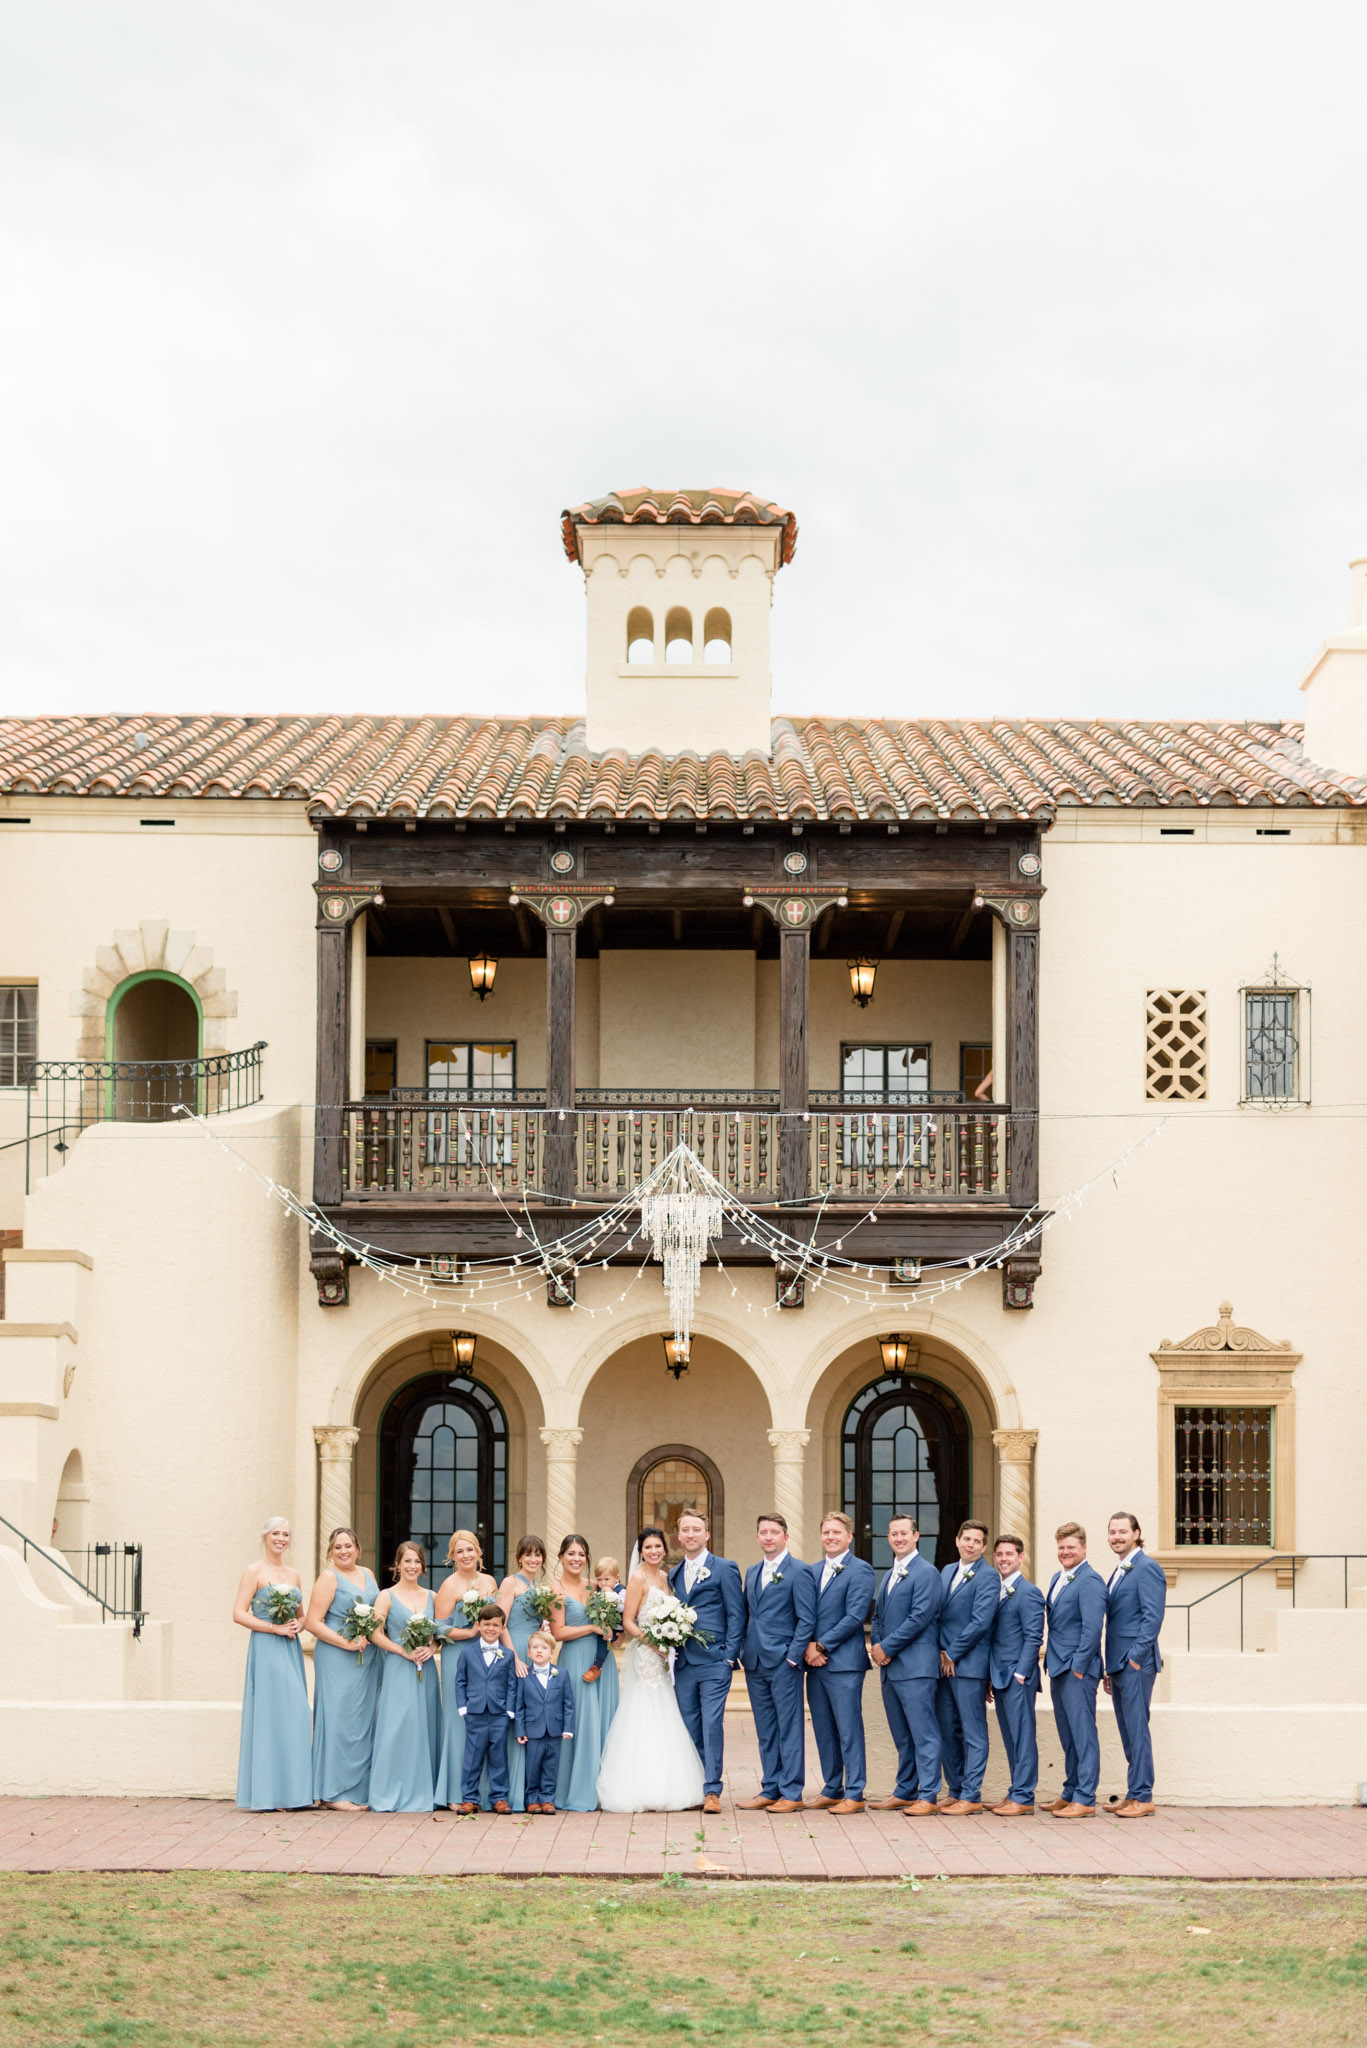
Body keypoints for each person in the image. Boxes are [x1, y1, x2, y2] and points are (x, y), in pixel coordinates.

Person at [596, 1527, 707, 1812]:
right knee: (647, 1709)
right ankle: (641, 1786)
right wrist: (654, 1643)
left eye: (658, 1546)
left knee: (667, 1710)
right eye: (648, 1547)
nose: (654, 1551)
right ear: (641, 1551)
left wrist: (670, 1642)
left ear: (664, 1549)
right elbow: (630, 1621)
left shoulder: (667, 1577)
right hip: (646, 1654)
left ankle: (671, 1784)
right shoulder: (638, 1578)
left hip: (666, 1655)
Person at [232, 1515, 313, 1811]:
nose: (281, 1538)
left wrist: (295, 1625)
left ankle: (293, 1793)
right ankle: (267, 1794)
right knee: (269, 1716)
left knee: (297, 1713)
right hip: (266, 1647)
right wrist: (273, 1628)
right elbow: (239, 1613)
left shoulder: (294, 1575)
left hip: (289, 1649)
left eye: (286, 1534)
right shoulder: (253, 1571)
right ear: (265, 1537)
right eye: (276, 1533)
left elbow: (302, 1616)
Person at [668, 1509, 745, 1815]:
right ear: (679, 1535)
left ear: (706, 1535)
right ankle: (694, 1785)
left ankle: (712, 1789)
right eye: (685, 1530)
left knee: (712, 1723)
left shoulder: (724, 1568)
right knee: (690, 1725)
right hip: (684, 1662)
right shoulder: (673, 1574)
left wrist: (729, 1655)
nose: (690, 1534)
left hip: (715, 1660)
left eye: (696, 1529)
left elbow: (736, 1613)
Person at [737, 1512, 815, 1813]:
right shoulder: (752, 1571)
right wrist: (745, 1648)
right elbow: (747, 1614)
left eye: (774, 1532)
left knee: (789, 1727)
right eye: (763, 1532)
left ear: (785, 1536)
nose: (768, 1537)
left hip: (784, 1662)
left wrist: (793, 1658)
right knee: (766, 1729)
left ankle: (792, 1792)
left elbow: (806, 1618)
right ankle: (770, 1787)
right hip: (756, 1660)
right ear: (757, 1537)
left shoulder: (799, 1571)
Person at [867, 1513, 943, 1816]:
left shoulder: (926, 1572)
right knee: (902, 1734)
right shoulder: (889, 1574)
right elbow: (878, 1615)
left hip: (916, 1666)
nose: (898, 1538)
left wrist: (887, 1647)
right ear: (888, 1538)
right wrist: (875, 1643)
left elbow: (920, 1617)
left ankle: (929, 1794)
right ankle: (905, 1790)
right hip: (891, 1667)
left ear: (916, 1536)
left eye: (904, 1533)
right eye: (893, 1533)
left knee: (924, 1733)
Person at [803, 1511, 876, 1815]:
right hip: (814, 1663)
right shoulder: (812, 1570)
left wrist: (821, 1645)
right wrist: (809, 1649)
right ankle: (833, 1787)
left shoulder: (861, 1570)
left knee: (848, 1729)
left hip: (844, 1663)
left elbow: (855, 1615)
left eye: (836, 1532)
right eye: (826, 1532)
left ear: (849, 1537)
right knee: (823, 1728)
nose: (830, 1537)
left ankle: (855, 1792)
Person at [305, 1524, 381, 1811]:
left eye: (348, 1545)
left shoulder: (369, 1574)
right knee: (338, 1720)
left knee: (362, 1721)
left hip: (367, 1655)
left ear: (358, 1549)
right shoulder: (328, 1577)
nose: (344, 1551)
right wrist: (345, 1643)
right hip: (338, 1656)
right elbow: (313, 1622)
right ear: (330, 1552)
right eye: (338, 1547)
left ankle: (358, 1789)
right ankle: (333, 1792)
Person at [368, 1540, 441, 1814]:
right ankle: (390, 1792)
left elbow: (440, 1636)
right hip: (398, 1668)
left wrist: (431, 1649)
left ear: (423, 1566)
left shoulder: (433, 1596)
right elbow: (374, 1633)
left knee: (424, 1725)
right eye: (407, 1560)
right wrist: (402, 1651)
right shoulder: (386, 1596)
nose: (412, 1566)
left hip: (426, 1668)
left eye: (417, 1561)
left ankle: (425, 1791)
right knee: (397, 1728)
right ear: (397, 1564)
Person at [1103, 1511, 1167, 1818]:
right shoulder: (1120, 1570)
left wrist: (1134, 1659)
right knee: (1128, 1730)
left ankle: (1144, 1796)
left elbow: (1152, 1618)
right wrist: (1110, 1665)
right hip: (1118, 1664)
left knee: (1137, 1729)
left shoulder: (1147, 1568)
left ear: (1136, 1533)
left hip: (1136, 1665)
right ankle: (1133, 1792)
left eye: (1122, 1531)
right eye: (1112, 1532)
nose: (1116, 1537)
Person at [550, 1532, 620, 1810]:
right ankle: (576, 1788)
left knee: (604, 1721)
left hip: (602, 1662)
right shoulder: (556, 1591)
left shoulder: (597, 1587)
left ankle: (605, 1789)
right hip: (575, 1660)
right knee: (579, 1722)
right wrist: (592, 1628)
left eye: (581, 1554)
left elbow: (615, 1619)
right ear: (561, 1557)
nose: (576, 1559)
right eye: (571, 1554)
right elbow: (558, 1632)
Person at [434, 1528, 502, 1812]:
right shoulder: (448, 1586)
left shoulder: (489, 1580)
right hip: (459, 1656)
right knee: (459, 1720)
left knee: (486, 1720)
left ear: (479, 1552)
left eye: (470, 1549)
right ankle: (454, 1791)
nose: (466, 1555)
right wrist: (470, 1631)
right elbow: (439, 1629)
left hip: (487, 1655)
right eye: (459, 1551)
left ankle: (483, 1793)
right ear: (452, 1556)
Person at [1042, 1521, 1107, 1819]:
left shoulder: (1090, 1581)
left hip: (1077, 1669)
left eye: (1071, 1547)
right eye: (1061, 1547)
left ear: (1083, 1548)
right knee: (1068, 1734)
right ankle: (1070, 1790)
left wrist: (1079, 1668)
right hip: (1057, 1666)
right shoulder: (1059, 1577)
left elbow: (1093, 1629)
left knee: (1083, 1734)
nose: (1065, 1552)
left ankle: (1085, 1797)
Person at [935, 1519, 1000, 1814]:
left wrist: (952, 1654)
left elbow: (980, 1622)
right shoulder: (947, 1571)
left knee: (973, 1731)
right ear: (957, 1540)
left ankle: (971, 1795)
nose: (970, 1544)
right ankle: (956, 1787)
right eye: (966, 1539)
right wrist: (939, 1652)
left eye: (977, 1541)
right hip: (942, 1664)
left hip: (969, 1665)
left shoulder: (988, 1577)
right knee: (948, 1728)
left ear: (983, 1547)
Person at [986, 1534, 1046, 1817]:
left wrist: (1021, 1674)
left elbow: (1034, 1638)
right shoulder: (996, 1590)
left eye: (1009, 1554)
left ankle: (1024, 1797)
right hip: (999, 1676)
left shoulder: (1028, 1592)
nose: (1003, 1559)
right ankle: (1015, 1792)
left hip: (1017, 1678)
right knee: (1011, 1738)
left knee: (1022, 1737)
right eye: (999, 1554)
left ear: (1021, 1557)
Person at [496, 1534, 551, 1812]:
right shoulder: (510, 1582)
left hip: (534, 1650)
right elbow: (501, 1622)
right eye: (528, 1554)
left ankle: (528, 1791)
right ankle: (508, 1792)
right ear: (519, 1557)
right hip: (515, 1650)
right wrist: (515, 1657)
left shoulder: (539, 1586)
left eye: (538, 1555)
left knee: (530, 1717)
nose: (533, 1559)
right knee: (513, 1717)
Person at [453, 1603, 517, 1814]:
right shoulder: (467, 1652)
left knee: (499, 1757)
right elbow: (460, 1681)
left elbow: (511, 1684)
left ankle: (499, 1798)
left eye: (496, 1625)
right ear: (478, 1625)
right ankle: (470, 1798)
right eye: (487, 1624)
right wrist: (463, 1707)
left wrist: (509, 1710)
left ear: (502, 1628)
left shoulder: (507, 1655)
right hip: (475, 1712)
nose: (491, 1628)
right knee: (472, 1757)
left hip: (499, 1713)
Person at [516, 1629, 574, 1813]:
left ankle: (547, 1799)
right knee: (532, 1766)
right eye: (535, 1647)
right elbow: (519, 1706)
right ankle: (531, 1799)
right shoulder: (524, 1675)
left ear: (552, 1652)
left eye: (544, 1647)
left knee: (551, 1765)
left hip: (555, 1729)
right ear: (528, 1652)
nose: (539, 1651)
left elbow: (568, 1704)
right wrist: (520, 1730)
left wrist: (568, 1728)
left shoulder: (562, 1674)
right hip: (533, 1729)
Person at [583, 1555, 626, 1683]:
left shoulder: (621, 1590)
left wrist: (611, 1595)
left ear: (617, 1577)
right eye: (599, 1579)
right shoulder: (598, 1589)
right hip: (600, 1624)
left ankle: (597, 1666)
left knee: (604, 1641)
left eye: (607, 1579)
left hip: (614, 1626)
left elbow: (623, 1607)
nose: (603, 1583)